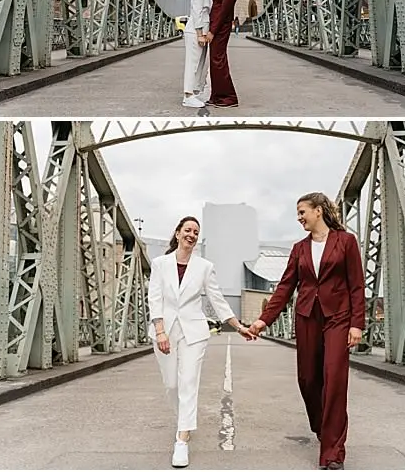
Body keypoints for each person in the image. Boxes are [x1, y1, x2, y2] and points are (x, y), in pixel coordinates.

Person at [249, 193, 366, 470]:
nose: (299, 217)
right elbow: (285, 287)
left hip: (338, 317)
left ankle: (333, 452)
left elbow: (357, 286)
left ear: (319, 210)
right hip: (307, 318)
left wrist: (357, 323)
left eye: (302, 211)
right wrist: (263, 320)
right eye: (298, 213)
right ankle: (322, 427)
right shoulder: (299, 248)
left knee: (334, 379)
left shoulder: (346, 242)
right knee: (308, 379)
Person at [147, 216, 257, 468]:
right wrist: (160, 330)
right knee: (172, 385)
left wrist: (238, 326)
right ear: (177, 234)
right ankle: (183, 421)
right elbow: (155, 297)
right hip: (164, 331)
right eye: (188, 230)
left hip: (194, 332)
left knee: (188, 382)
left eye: (196, 231)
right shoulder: (160, 264)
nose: (192, 234)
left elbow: (217, 300)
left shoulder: (204, 267)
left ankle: (182, 439)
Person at [205, 0, 239, 108]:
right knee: (215, 60)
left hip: (221, 26)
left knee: (218, 61)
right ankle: (216, 95)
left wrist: (213, 30)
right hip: (217, 24)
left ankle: (228, 97)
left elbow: (224, 10)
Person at [181, 0, 212, 109]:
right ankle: (187, 96)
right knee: (192, 64)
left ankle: (194, 92)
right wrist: (200, 34)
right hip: (195, 31)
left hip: (200, 31)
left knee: (199, 64)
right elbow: (197, 12)